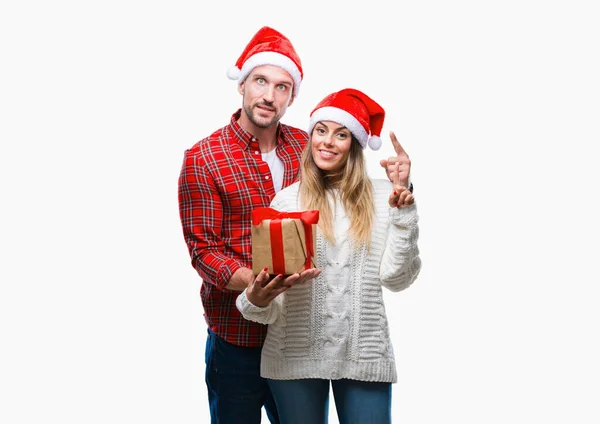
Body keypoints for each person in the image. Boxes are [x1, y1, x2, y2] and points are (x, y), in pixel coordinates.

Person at [178, 26, 409, 423]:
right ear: (242, 85)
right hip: (239, 335)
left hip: (310, 335)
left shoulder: (307, 145)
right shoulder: (204, 157)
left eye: (282, 86)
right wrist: (259, 284)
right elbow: (204, 252)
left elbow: (354, 203)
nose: (269, 95)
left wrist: (401, 193)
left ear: (292, 96)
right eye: (261, 81)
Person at [236, 88, 422, 424]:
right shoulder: (287, 202)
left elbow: (397, 279)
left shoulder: (384, 196)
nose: (328, 142)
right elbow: (267, 303)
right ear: (311, 137)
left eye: (341, 134)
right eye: (320, 131)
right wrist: (257, 298)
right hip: (294, 356)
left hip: (363, 355)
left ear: (355, 145)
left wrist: (404, 211)